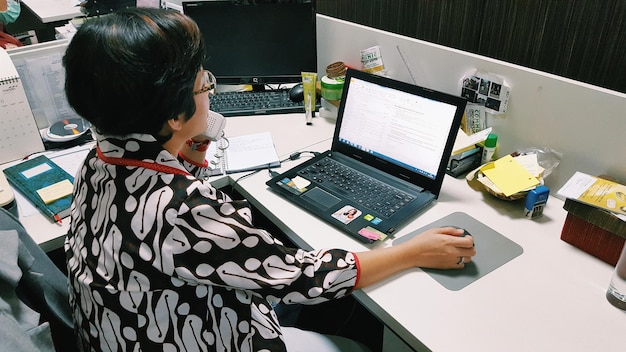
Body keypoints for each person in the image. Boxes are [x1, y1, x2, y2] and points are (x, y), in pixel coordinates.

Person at [63, 7, 476, 352]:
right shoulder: (180, 209)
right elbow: (306, 280)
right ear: (172, 114)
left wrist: (191, 136)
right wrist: (413, 251)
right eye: (204, 83)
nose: (209, 90)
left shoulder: (100, 158)